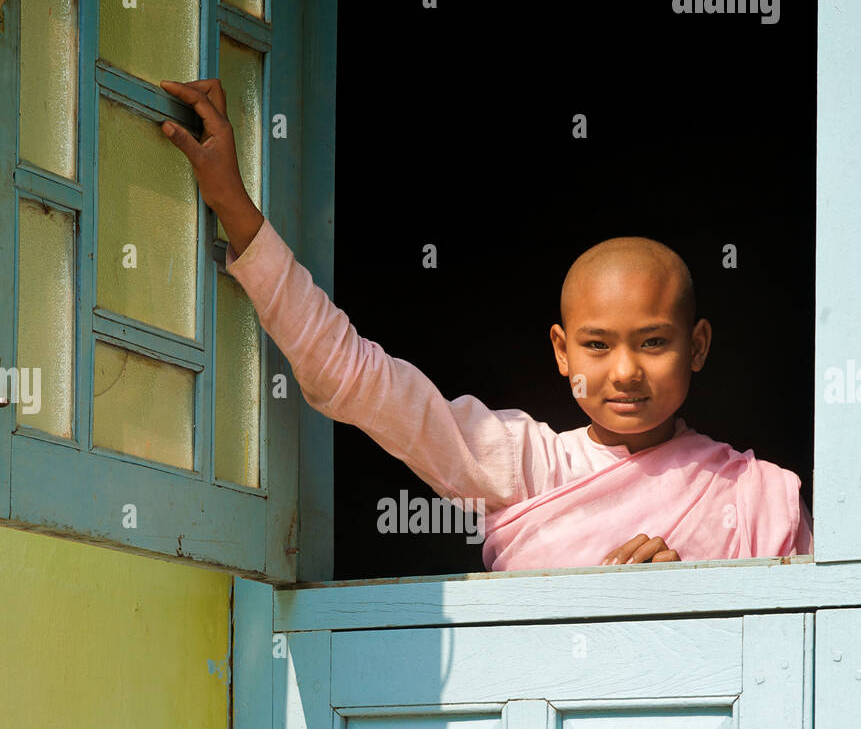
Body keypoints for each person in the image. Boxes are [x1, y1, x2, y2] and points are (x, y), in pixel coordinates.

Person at [159, 77, 813, 569]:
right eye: (595, 344)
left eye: (652, 342)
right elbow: (352, 378)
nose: (624, 371)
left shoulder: (757, 495)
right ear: (560, 351)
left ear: (696, 345)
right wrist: (233, 206)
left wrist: (693, 595)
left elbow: (804, 660)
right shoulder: (524, 462)